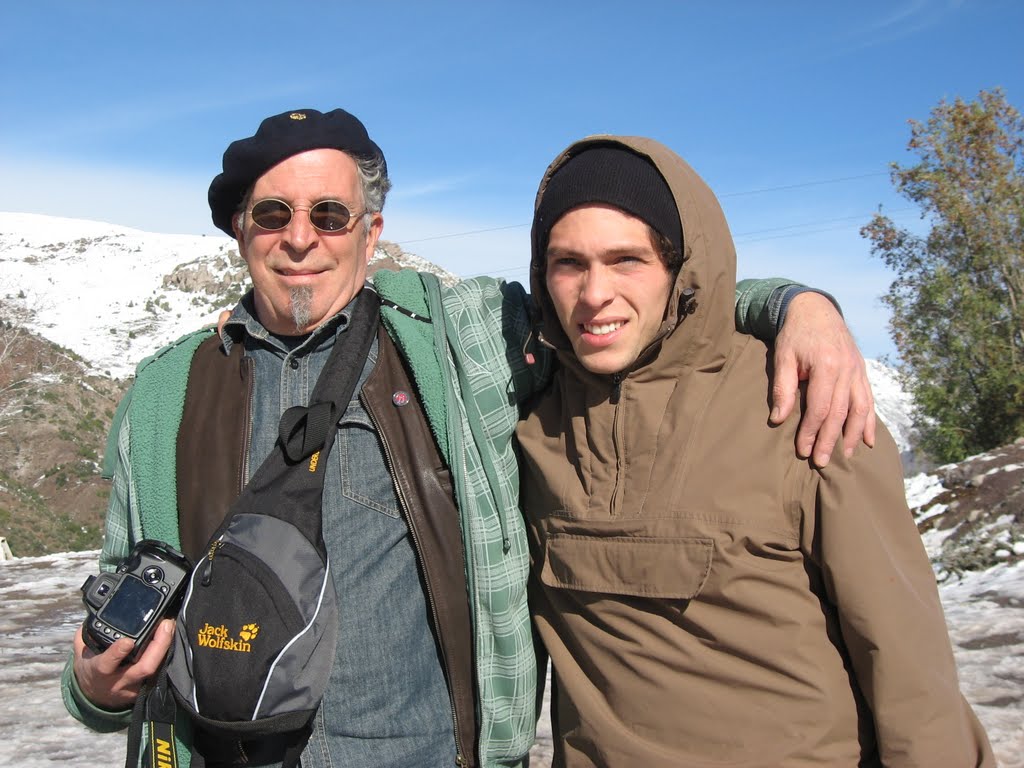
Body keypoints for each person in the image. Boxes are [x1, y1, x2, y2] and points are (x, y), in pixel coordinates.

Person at [62, 108, 873, 768]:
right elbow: (119, 607)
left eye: (330, 214)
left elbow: (625, 299)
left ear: (370, 233)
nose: (300, 238)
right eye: (272, 214)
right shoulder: (167, 390)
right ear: (241, 231)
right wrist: (93, 686)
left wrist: (797, 305)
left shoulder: (462, 340)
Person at [517, 136, 995, 767]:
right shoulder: (528, 423)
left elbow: (909, 672)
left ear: (680, 270)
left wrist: (806, 304)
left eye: (627, 260)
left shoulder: (807, 404)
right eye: (568, 263)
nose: (594, 292)